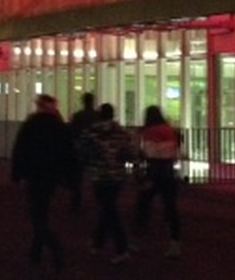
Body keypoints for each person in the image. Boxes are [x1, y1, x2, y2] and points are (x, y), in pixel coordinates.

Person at [11, 94, 75, 273]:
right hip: (51, 176)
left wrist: (17, 174)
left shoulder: (31, 124)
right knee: (42, 212)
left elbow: (20, 149)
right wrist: (69, 178)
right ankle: (36, 253)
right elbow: (68, 153)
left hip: (34, 175)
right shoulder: (59, 126)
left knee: (37, 215)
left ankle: (52, 249)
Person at [78, 103, 137, 264]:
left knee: (108, 210)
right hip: (117, 176)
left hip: (99, 175)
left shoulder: (91, 132)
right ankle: (98, 243)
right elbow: (131, 154)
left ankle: (121, 246)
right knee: (108, 207)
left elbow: (81, 152)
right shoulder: (121, 132)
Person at [133, 104, 183, 259]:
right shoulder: (170, 130)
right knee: (171, 208)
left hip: (154, 173)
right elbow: (174, 151)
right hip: (168, 173)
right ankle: (174, 242)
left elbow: (148, 152)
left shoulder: (149, 132)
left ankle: (139, 238)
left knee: (143, 204)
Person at [68, 92, 101, 211]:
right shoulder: (99, 116)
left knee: (78, 177)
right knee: (97, 176)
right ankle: (99, 201)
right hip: (96, 149)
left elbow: (72, 132)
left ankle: (76, 201)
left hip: (81, 149)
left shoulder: (78, 116)